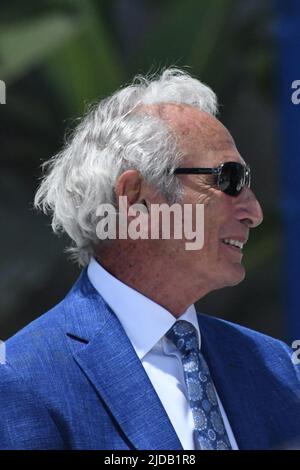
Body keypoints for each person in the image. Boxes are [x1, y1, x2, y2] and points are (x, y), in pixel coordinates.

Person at [0, 69, 299, 450]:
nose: (254, 212)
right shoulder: (23, 379)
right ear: (136, 198)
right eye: (229, 178)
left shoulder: (274, 366)